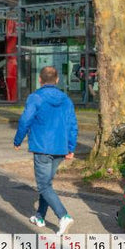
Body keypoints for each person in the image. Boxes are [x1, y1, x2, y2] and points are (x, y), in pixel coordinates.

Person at [13, 66, 78, 235]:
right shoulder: (66, 99)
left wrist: (18, 140)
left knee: (43, 185)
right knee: (46, 184)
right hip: (60, 148)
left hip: (42, 147)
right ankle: (39, 216)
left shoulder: (35, 98)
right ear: (57, 80)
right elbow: (72, 125)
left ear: (40, 80)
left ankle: (63, 216)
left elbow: (25, 120)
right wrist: (71, 147)